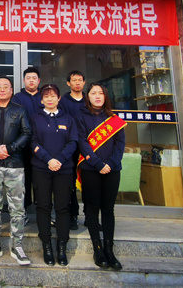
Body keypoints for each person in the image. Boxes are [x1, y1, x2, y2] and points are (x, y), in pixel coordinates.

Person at [0, 76, 32, 266]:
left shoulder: (20, 110)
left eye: (5, 87)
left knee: (17, 208)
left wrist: (10, 149)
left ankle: (17, 246)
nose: (2, 89)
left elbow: (27, 133)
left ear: (11, 90)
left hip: (14, 165)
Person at [76, 83, 126, 271]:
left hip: (112, 169)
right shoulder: (81, 116)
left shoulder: (114, 119)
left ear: (105, 96)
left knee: (108, 209)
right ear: (87, 96)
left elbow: (120, 144)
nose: (97, 96)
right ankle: (97, 249)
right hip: (90, 168)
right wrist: (97, 164)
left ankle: (109, 250)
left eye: (100, 93)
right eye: (93, 93)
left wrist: (110, 164)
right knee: (92, 208)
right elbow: (82, 142)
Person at [30, 84, 78, 267]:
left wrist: (59, 160)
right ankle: (47, 246)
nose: (49, 99)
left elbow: (73, 142)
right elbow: (33, 141)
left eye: (53, 96)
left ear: (59, 98)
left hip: (64, 170)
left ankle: (62, 246)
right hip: (41, 169)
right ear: (41, 100)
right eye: (46, 96)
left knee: (63, 208)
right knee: (43, 207)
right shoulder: (35, 118)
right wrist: (48, 159)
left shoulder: (68, 118)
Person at [11, 66, 42, 223]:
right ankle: (23, 210)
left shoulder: (44, 96)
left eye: (34, 78)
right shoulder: (17, 98)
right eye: (28, 78)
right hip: (23, 146)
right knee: (23, 179)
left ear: (39, 80)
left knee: (41, 179)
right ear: (24, 80)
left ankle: (43, 212)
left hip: (43, 145)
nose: (31, 80)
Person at [59, 70, 87, 231]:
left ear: (84, 82)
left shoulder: (89, 100)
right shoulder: (63, 101)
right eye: (74, 80)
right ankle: (73, 215)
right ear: (68, 83)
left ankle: (90, 216)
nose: (77, 82)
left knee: (88, 182)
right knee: (70, 182)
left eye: (80, 80)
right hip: (70, 148)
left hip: (88, 147)